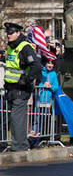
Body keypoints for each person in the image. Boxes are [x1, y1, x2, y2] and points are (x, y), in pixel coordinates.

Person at [3, 22, 41, 152]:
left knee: (16, 117)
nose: (8, 35)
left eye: (11, 33)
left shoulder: (25, 47)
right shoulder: (10, 48)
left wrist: (27, 79)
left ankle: (19, 146)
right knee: (9, 117)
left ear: (18, 33)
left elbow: (36, 66)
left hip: (21, 88)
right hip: (11, 88)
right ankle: (12, 144)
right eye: (7, 33)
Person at [30, 58, 60, 147]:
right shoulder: (41, 72)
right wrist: (43, 85)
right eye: (48, 63)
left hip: (48, 100)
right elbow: (35, 84)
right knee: (36, 120)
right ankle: (33, 140)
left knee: (43, 121)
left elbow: (56, 87)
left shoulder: (54, 74)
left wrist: (50, 86)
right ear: (45, 64)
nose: (50, 65)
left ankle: (39, 138)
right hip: (39, 98)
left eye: (52, 64)